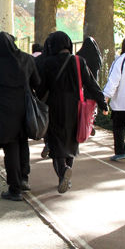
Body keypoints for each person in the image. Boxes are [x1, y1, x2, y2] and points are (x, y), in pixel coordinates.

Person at [35, 31, 107, 194]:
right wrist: (102, 103)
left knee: (55, 143)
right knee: (72, 141)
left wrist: (37, 101)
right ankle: (68, 167)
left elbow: (41, 88)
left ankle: (63, 172)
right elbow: (91, 84)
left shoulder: (48, 63)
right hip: (75, 108)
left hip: (54, 107)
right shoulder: (78, 61)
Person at [0, 32, 40, 201]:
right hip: (25, 107)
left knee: (10, 148)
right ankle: (24, 179)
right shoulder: (27, 59)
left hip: (5, 110)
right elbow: (37, 82)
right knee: (23, 143)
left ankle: (14, 189)